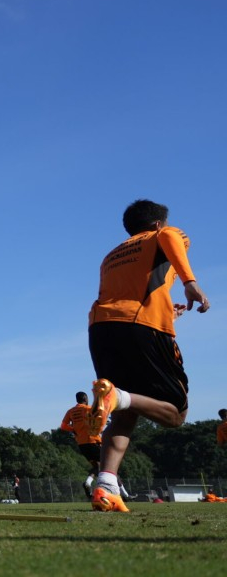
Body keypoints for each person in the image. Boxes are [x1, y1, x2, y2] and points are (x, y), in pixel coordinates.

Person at [87, 199, 210, 513]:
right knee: (174, 413)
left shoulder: (111, 256)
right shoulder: (162, 235)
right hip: (141, 326)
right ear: (158, 223)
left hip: (102, 328)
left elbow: (135, 291)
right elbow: (171, 238)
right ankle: (117, 397)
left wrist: (168, 313)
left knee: (125, 414)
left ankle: (105, 486)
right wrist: (190, 283)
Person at [61, 391, 103, 498]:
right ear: (85, 398)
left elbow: (63, 426)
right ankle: (107, 489)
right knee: (107, 464)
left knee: (96, 466)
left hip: (81, 444)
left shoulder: (70, 411)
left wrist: (73, 429)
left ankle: (88, 483)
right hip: (93, 441)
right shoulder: (88, 409)